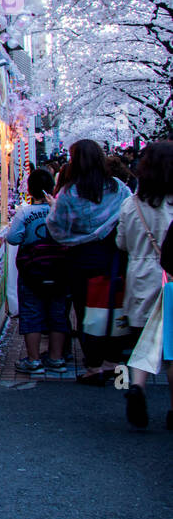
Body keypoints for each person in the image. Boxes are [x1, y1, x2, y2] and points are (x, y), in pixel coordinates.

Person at [46, 139, 134, 384]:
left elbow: (56, 226)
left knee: (86, 312)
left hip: (80, 259)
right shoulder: (118, 188)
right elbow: (129, 214)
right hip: (113, 256)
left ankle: (93, 367)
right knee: (115, 308)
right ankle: (112, 364)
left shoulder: (69, 193)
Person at [117, 142, 173, 428]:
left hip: (140, 275)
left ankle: (135, 386)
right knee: (171, 347)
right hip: (169, 277)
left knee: (140, 341)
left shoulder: (132, 203)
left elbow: (121, 242)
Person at [3, 169, 70, 375]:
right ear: (52, 187)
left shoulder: (25, 212)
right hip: (60, 269)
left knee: (31, 313)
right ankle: (56, 359)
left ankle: (33, 360)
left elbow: (13, 238)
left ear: (30, 189)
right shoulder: (60, 210)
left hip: (32, 270)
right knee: (58, 313)